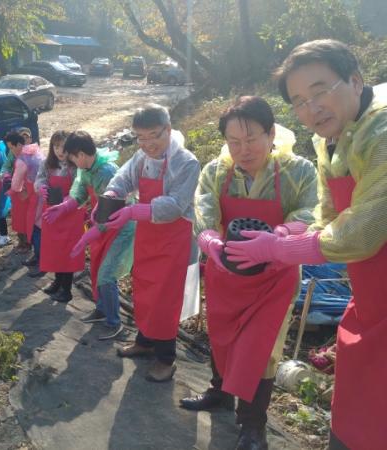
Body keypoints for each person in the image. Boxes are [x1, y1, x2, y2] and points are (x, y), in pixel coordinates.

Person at [224, 40, 387, 450]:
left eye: (320, 91)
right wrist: (290, 236)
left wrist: (277, 249)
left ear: (355, 81)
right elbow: (329, 217)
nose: (311, 109)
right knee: (355, 414)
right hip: (370, 295)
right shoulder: (329, 141)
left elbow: (362, 232)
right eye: (298, 101)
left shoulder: (381, 134)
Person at [180, 96, 318, 449]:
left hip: (275, 278)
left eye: (252, 138)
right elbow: (204, 207)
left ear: (271, 134)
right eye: (234, 141)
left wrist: (281, 235)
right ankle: (220, 393)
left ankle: (253, 424)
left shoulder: (298, 171)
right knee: (222, 337)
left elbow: (311, 211)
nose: (243, 149)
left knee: (262, 349)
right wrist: (208, 237)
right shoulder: (217, 172)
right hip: (226, 273)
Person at [103, 104, 200, 382]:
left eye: (154, 136)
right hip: (148, 237)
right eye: (141, 138)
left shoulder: (187, 162)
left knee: (165, 298)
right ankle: (144, 341)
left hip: (174, 240)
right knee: (144, 290)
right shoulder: (142, 157)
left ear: (168, 129)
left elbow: (176, 205)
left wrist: (135, 210)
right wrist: (113, 193)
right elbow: (124, 177)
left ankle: (166, 359)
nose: (147, 144)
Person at [43, 131, 135, 340]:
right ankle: (102, 309)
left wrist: (85, 238)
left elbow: (109, 214)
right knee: (97, 267)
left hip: (120, 228)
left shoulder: (107, 172)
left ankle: (114, 322)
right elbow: (79, 194)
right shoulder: (86, 170)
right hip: (101, 225)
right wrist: (63, 207)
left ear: (81, 155)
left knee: (107, 273)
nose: (73, 163)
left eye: (73, 158)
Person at [35, 130, 84, 302]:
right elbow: (39, 179)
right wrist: (40, 187)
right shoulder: (46, 164)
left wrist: (67, 200)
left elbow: (80, 189)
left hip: (70, 214)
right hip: (51, 212)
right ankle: (57, 281)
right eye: (56, 146)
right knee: (54, 250)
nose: (59, 151)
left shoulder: (76, 166)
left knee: (67, 251)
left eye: (63, 147)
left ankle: (66, 289)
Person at [4, 131, 44, 274]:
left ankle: (41, 260)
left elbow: (15, 185)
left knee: (35, 228)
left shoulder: (22, 159)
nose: (11, 150)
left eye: (11, 147)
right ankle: (39, 256)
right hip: (43, 192)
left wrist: (12, 190)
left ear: (19, 145)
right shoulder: (35, 151)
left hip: (35, 195)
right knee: (40, 226)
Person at [1, 127, 34, 251]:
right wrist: (5, 174)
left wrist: (27, 189)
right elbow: (6, 166)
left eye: (27, 137)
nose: (25, 140)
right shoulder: (14, 154)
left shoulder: (32, 155)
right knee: (18, 217)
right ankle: (22, 240)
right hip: (17, 192)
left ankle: (29, 242)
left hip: (27, 192)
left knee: (28, 218)